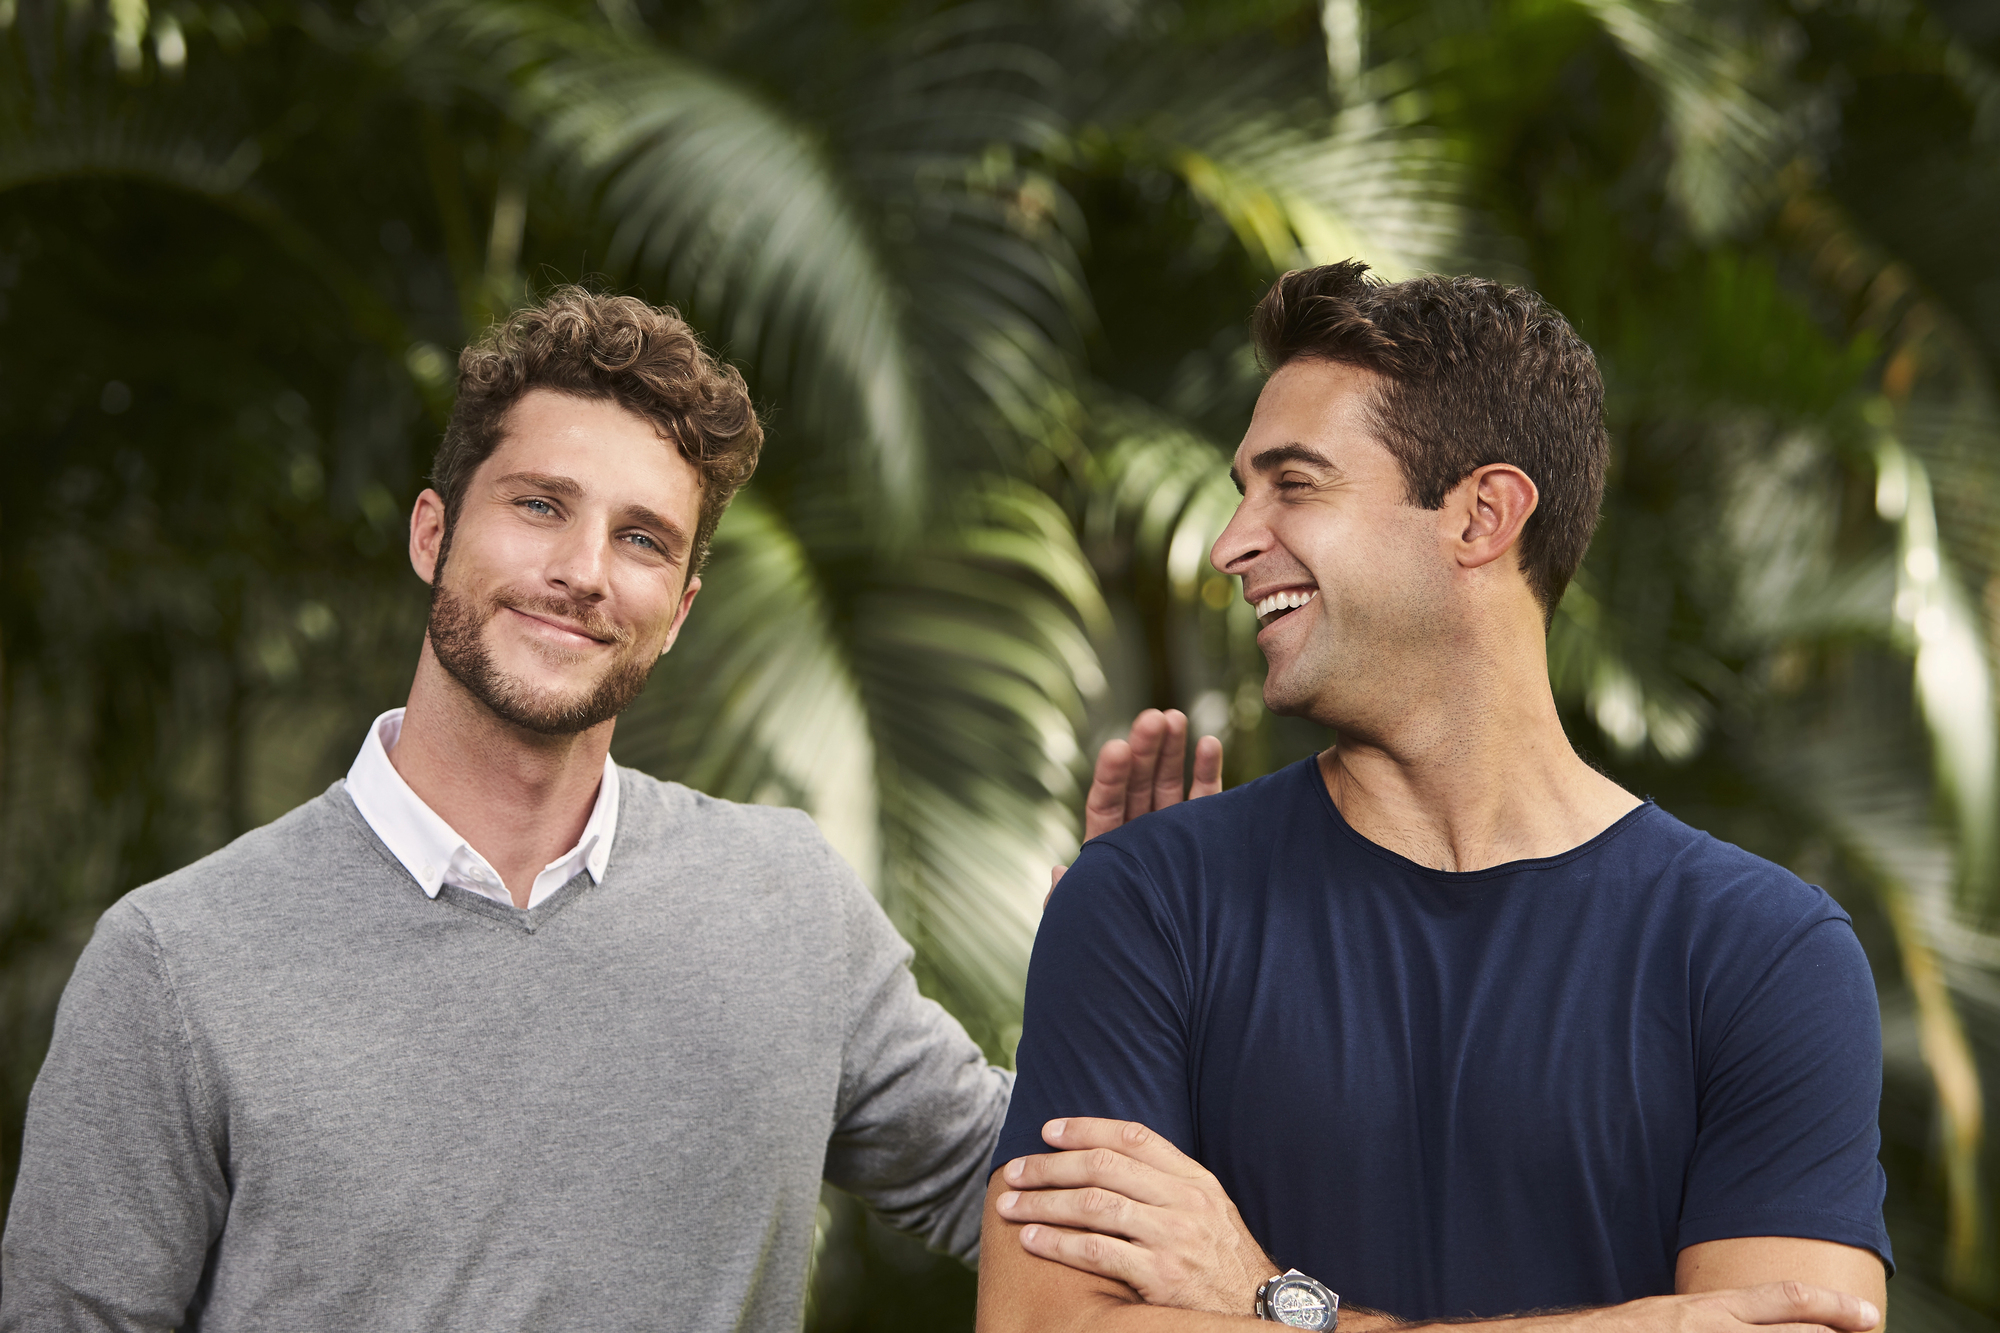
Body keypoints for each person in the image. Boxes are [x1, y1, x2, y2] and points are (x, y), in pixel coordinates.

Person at [0, 288, 1015, 1331]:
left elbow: (1025, 1187)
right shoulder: (174, 963)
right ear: (431, 533)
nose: (581, 572)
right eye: (539, 505)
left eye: (642, 540)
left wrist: (1143, 931)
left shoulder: (786, 899)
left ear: (680, 613)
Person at [977, 262, 1893, 1333]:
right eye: (1241, 489)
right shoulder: (1142, 901)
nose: (1230, 542)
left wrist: (1275, 1305)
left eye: (1294, 483)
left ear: (1479, 516)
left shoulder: (1761, 952)